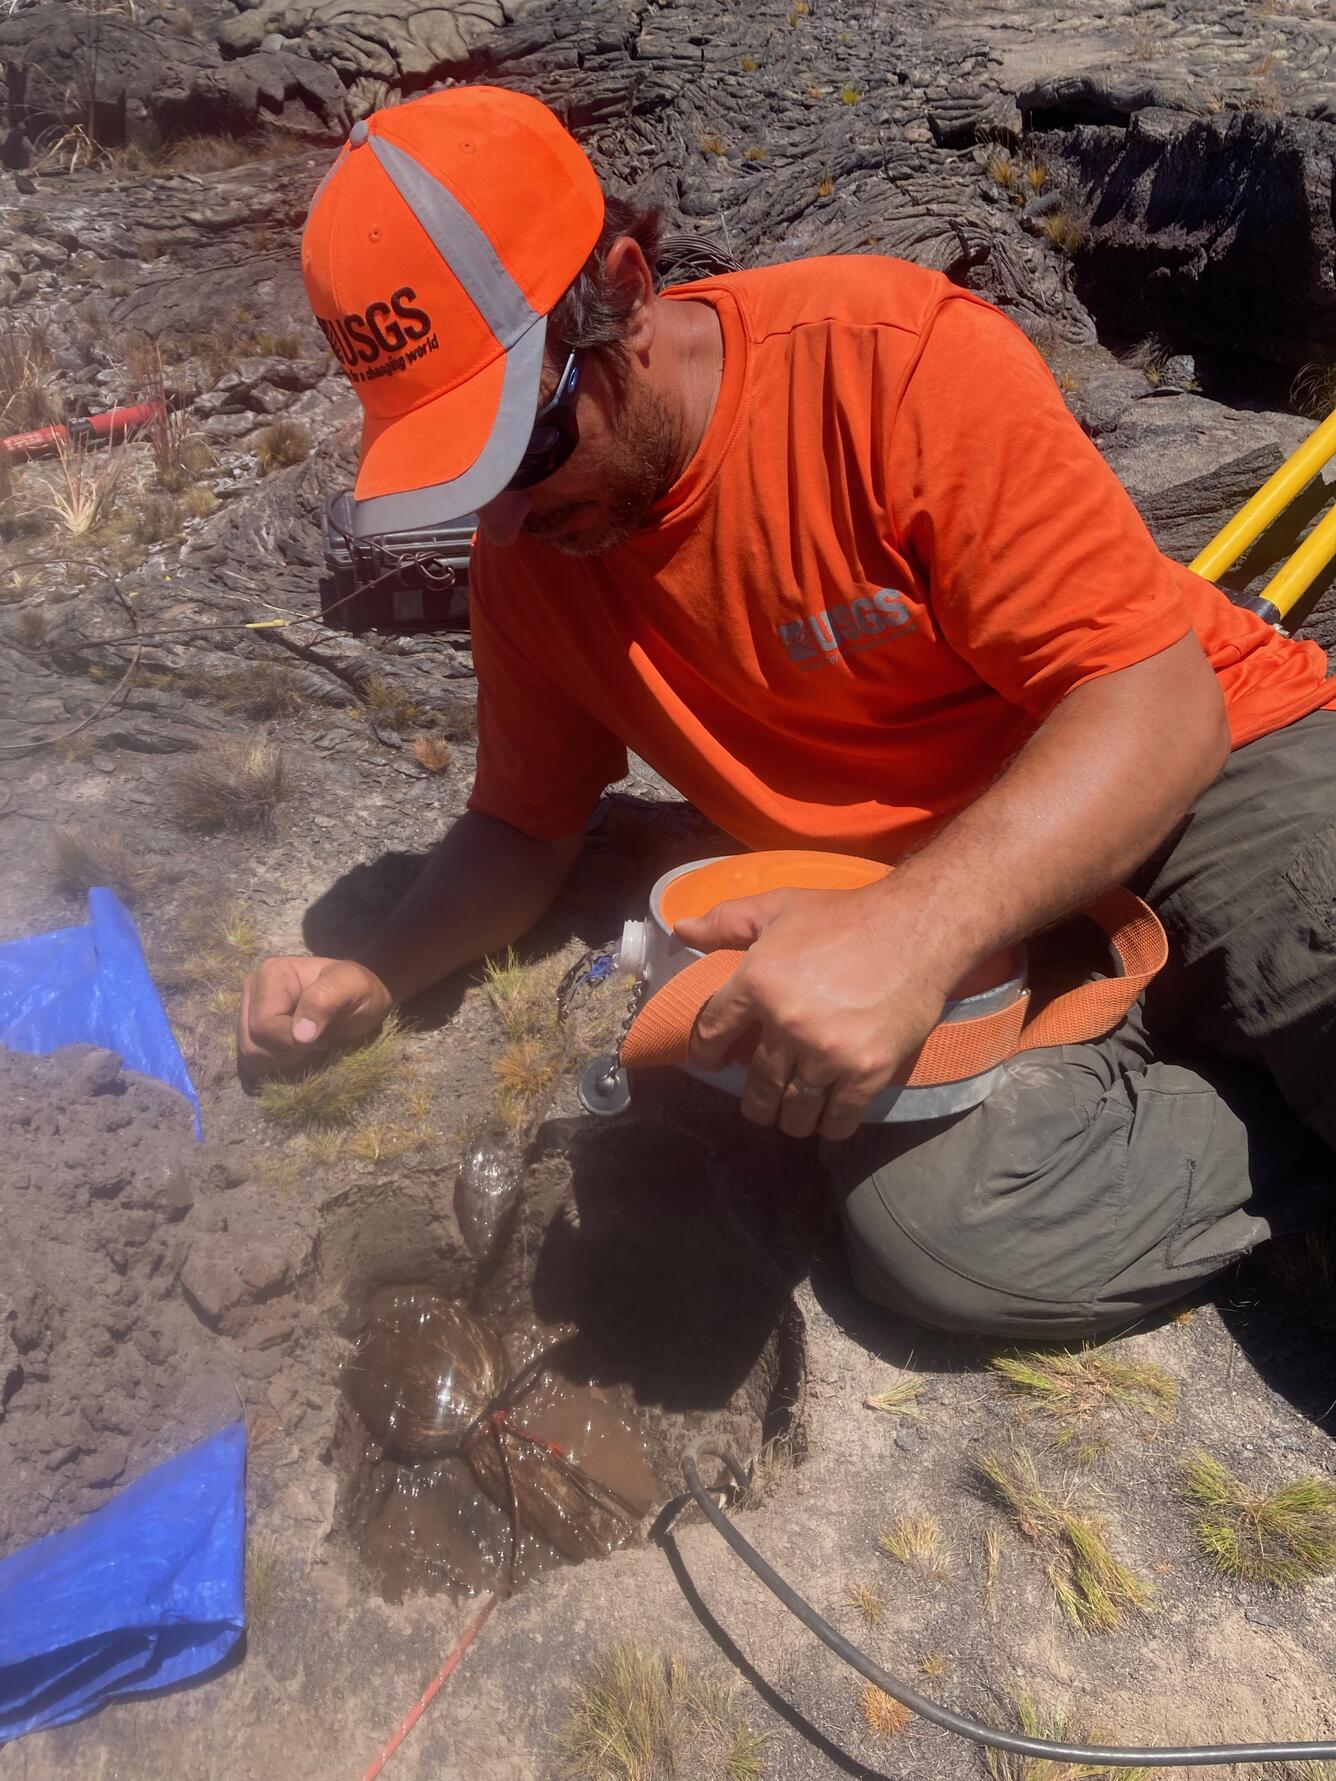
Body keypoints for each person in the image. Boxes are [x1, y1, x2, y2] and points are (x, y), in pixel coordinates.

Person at [242, 84, 1336, 1337]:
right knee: (945, 1241)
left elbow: (1154, 703)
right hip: (974, 916)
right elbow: (523, 824)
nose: (502, 519)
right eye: (456, 481)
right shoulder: (532, 557)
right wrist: (375, 971)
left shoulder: (887, 362)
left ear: (627, 290)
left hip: (1207, 776)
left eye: (522, 450)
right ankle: (1263, 1098)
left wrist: (910, 931)